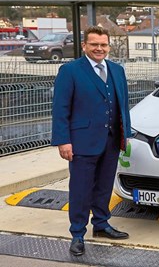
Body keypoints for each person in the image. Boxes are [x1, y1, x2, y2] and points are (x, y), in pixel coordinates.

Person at [52, 26, 132, 256]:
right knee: (80, 188)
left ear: (109, 46)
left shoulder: (117, 70)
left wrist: (125, 134)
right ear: (84, 45)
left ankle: (101, 224)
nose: (99, 48)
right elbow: (60, 108)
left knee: (105, 185)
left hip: (111, 140)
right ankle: (77, 233)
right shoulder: (70, 71)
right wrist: (63, 141)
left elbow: (122, 105)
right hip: (81, 141)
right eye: (94, 44)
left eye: (103, 44)